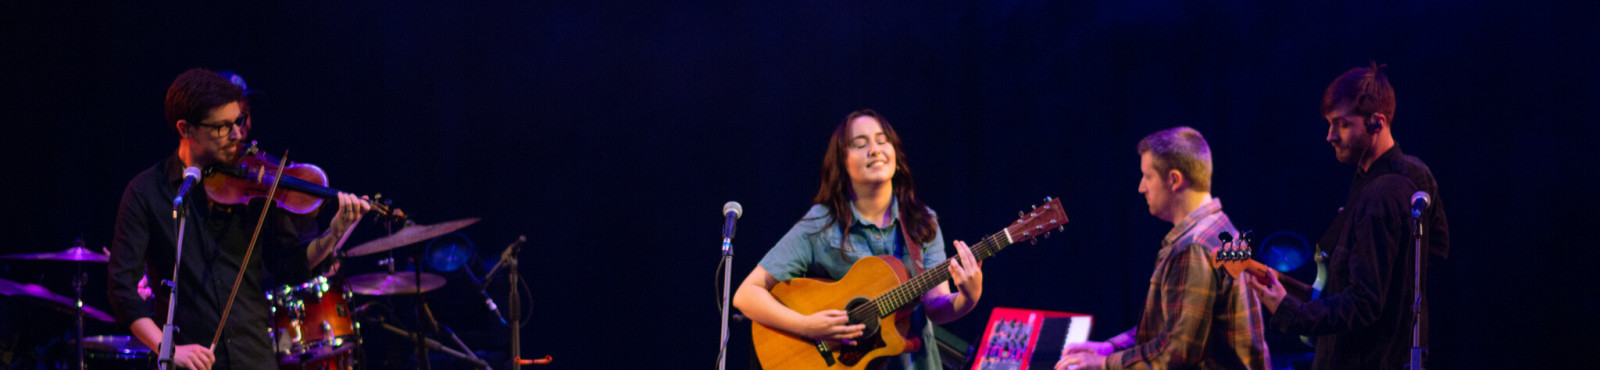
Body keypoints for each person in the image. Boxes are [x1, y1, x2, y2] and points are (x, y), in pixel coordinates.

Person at [107, 68, 373, 370]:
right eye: (222, 127)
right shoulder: (145, 193)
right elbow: (122, 291)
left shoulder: (255, 182)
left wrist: (333, 234)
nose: (237, 135)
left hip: (254, 357)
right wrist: (168, 350)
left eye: (239, 121)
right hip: (190, 363)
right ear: (186, 129)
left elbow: (289, 265)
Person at [732, 109, 983, 370]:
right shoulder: (821, 223)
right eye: (860, 144)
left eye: (882, 140)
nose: (874, 150)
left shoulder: (922, 221)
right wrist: (808, 326)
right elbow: (746, 295)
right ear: (842, 162)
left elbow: (936, 305)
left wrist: (968, 297)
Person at [1244, 63, 1450, 369]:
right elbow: (1437, 249)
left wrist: (1290, 311)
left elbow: (1364, 302)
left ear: (1376, 122)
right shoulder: (1415, 174)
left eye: (1341, 124)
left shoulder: (1380, 195)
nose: (1330, 136)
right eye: (1330, 124)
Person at [1057, 127, 1270, 370]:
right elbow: (1172, 328)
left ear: (1174, 179)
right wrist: (1112, 347)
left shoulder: (1194, 247)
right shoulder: (1220, 228)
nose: (1141, 187)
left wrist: (1104, 363)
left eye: (1147, 176)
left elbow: (1176, 354)